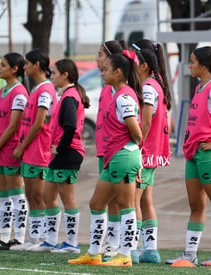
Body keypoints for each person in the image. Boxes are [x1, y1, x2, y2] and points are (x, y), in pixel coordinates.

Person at [68, 50, 143, 267]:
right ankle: (93, 253)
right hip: (114, 158)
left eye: (106, 69)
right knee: (97, 203)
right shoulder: (117, 93)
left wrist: (135, 153)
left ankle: (125, 255)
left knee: (126, 206)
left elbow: (136, 132)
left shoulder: (125, 96)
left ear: (118, 72)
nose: (102, 72)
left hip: (124, 157)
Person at [166, 46, 211, 266]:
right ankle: (190, 254)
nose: (189, 65)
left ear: (204, 66)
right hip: (194, 153)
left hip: (210, 154)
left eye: (192, 61)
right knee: (196, 205)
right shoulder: (200, 87)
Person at [28, 59, 90, 253]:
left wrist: (61, 148)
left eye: (54, 73)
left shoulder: (70, 97)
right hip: (60, 155)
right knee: (48, 196)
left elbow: (71, 126)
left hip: (68, 154)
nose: (51, 76)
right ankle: (51, 240)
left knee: (67, 198)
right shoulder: (65, 95)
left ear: (65, 75)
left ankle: (72, 244)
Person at [10, 48, 57, 251]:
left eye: (27, 64)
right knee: (30, 195)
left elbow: (38, 124)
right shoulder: (36, 88)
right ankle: (34, 239)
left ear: (37, 65)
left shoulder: (46, 90)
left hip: (39, 150)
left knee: (39, 196)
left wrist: (21, 147)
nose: (25, 67)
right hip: (30, 151)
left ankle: (45, 240)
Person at [0, 53, 29, 250]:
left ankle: (18, 238)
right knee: (3, 197)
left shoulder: (19, 93)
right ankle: (3, 238)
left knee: (16, 195)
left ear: (14, 69)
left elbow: (12, 126)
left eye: (3, 65)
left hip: (10, 150)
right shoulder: (2, 91)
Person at [130, 39, 172, 264]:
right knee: (146, 199)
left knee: (135, 199)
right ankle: (151, 250)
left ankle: (134, 250)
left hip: (145, 152)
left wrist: (136, 147)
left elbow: (145, 124)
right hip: (154, 151)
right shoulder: (158, 83)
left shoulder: (148, 87)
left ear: (144, 65)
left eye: (134, 60)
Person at [94, 40, 129, 260]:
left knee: (124, 201)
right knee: (109, 201)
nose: (97, 59)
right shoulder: (108, 87)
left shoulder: (121, 90)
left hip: (119, 152)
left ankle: (124, 246)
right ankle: (113, 243)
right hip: (105, 150)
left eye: (100, 55)